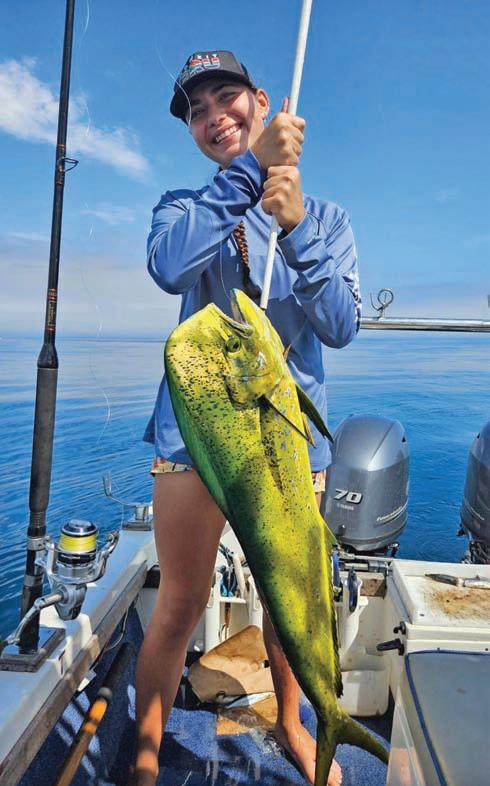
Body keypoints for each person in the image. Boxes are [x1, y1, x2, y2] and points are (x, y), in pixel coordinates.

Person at [135, 50, 361, 786]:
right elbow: (170, 266)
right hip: (194, 439)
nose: (212, 118)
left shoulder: (326, 218)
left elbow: (340, 326)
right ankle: (145, 751)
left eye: (225, 98)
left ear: (262, 101)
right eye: (196, 112)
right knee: (180, 600)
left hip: (285, 443)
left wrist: (295, 229)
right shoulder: (183, 206)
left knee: (290, 604)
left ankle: (297, 724)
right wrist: (246, 174)